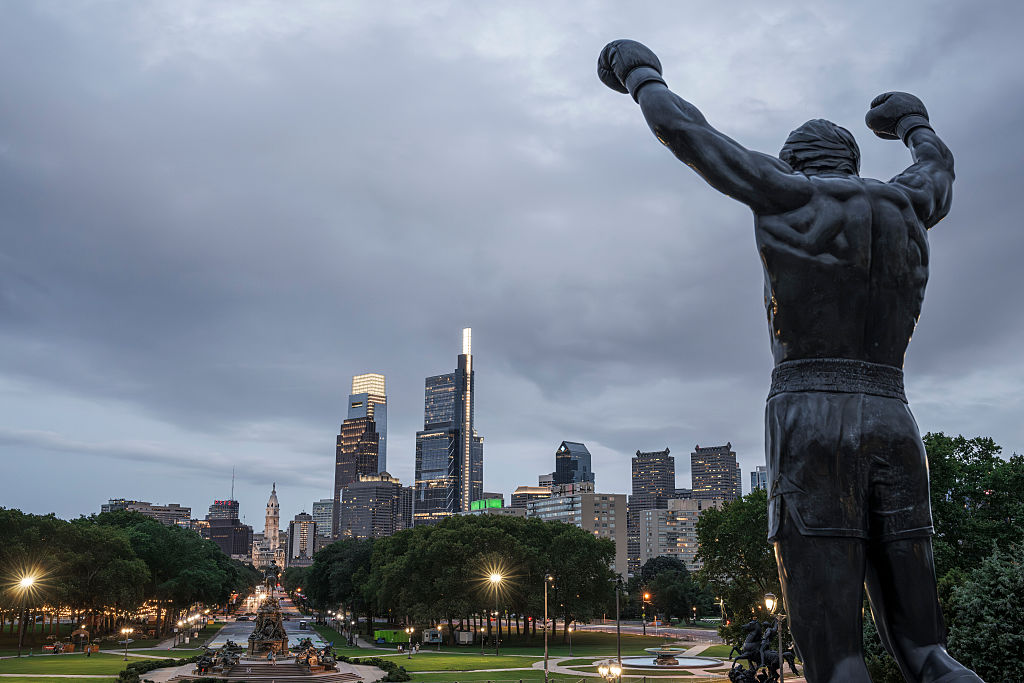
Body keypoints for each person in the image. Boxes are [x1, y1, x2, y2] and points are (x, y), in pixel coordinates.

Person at [598, 40, 980, 683]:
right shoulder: (909, 205)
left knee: (836, 662)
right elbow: (938, 165)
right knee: (929, 654)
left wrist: (638, 74)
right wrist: (913, 120)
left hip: (810, 416)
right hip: (892, 413)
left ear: (792, 163)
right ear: (854, 164)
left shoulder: (786, 195)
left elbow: (688, 133)